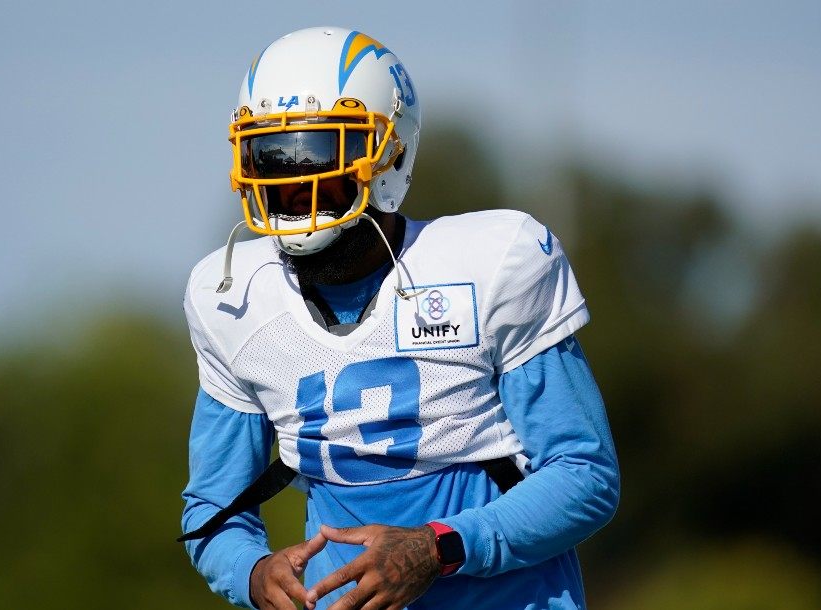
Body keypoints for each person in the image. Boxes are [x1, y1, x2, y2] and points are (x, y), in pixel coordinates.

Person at [180, 26, 620, 610]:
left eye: (317, 154)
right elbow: (214, 507)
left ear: (389, 153)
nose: (293, 183)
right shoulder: (232, 297)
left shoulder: (494, 263)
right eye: (272, 157)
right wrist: (253, 574)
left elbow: (585, 475)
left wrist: (439, 548)